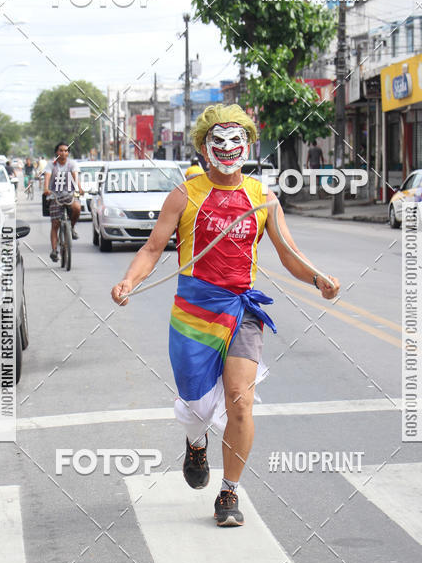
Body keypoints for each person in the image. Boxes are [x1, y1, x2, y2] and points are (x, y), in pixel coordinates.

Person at [111, 104, 340, 527]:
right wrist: (129, 282)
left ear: (249, 144)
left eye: (237, 140)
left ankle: (228, 493)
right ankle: (195, 441)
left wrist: (317, 278)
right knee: (196, 403)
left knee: (241, 400)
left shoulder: (262, 197)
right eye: (218, 140)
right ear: (203, 146)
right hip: (193, 313)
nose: (228, 148)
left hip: (242, 310)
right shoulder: (185, 194)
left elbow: (289, 255)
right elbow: (151, 249)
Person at [43, 141, 82, 262]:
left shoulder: (72, 164)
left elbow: (75, 176)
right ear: (56, 152)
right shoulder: (51, 165)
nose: (63, 153)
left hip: (69, 195)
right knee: (55, 224)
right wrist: (46, 189)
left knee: (77, 208)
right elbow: (47, 177)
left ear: (68, 153)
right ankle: (54, 250)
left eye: (66, 151)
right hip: (55, 196)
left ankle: (72, 228)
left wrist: (79, 188)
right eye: (61, 150)